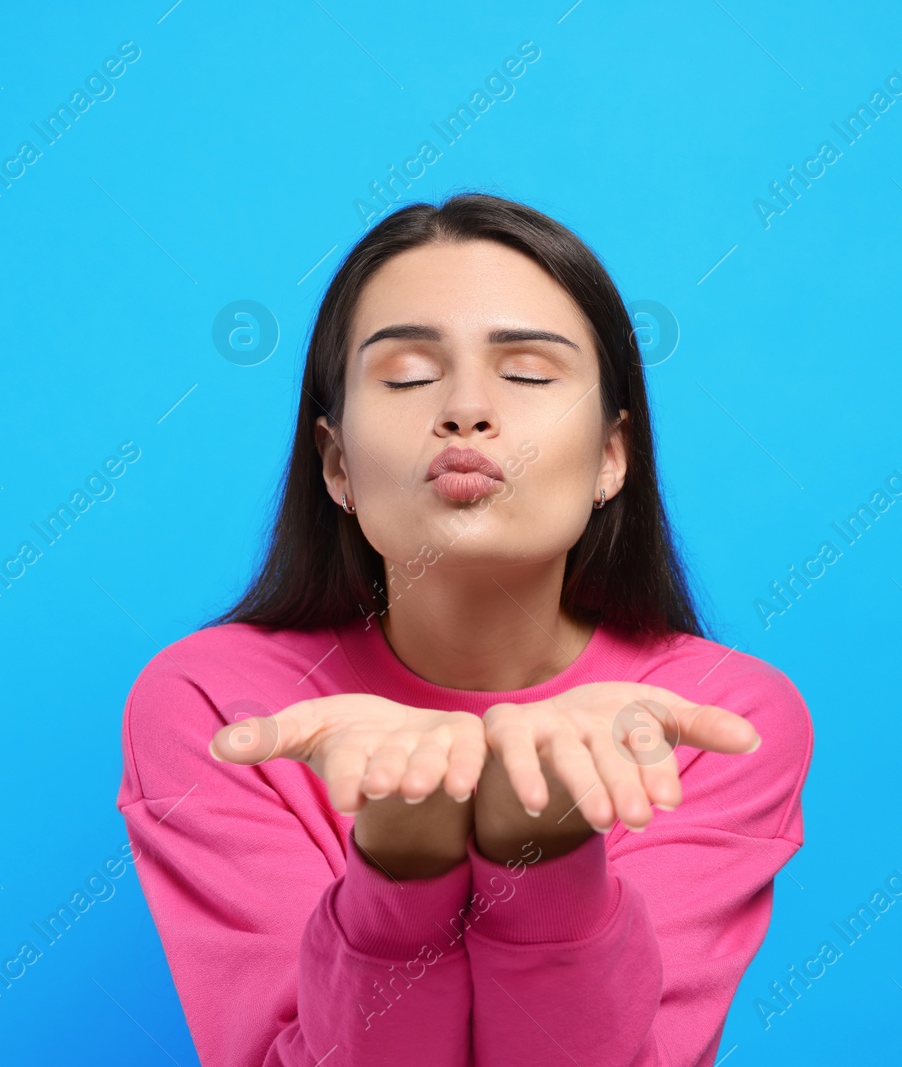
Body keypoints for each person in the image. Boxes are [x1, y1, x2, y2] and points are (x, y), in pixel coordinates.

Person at [115, 192, 813, 1066]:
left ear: (611, 456)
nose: (466, 410)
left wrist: (549, 848)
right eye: (407, 375)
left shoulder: (711, 718)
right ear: (336, 463)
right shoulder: (222, 707)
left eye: (527, 373)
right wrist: (402, 859)